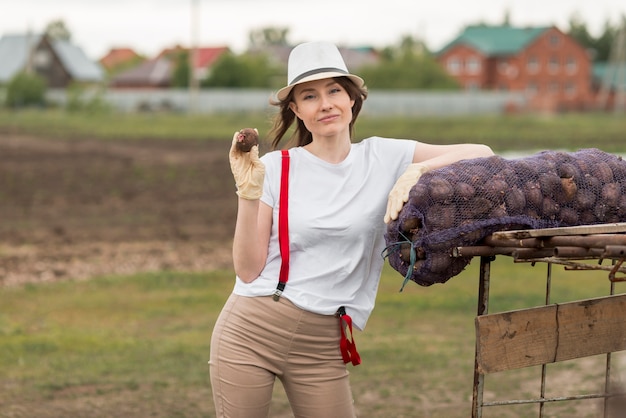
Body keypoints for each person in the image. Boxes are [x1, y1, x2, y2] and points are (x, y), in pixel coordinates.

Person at [209, 41, 494, 418]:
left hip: (325, 343)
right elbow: (247, 269)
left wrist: (418, 170)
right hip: (253, 329)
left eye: (334, 91)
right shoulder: (275, 167)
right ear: (296, 110)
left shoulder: (384, 156)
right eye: (309, 96)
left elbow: (484, 153)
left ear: (351, 99)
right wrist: (248, 193)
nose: (325, 103)